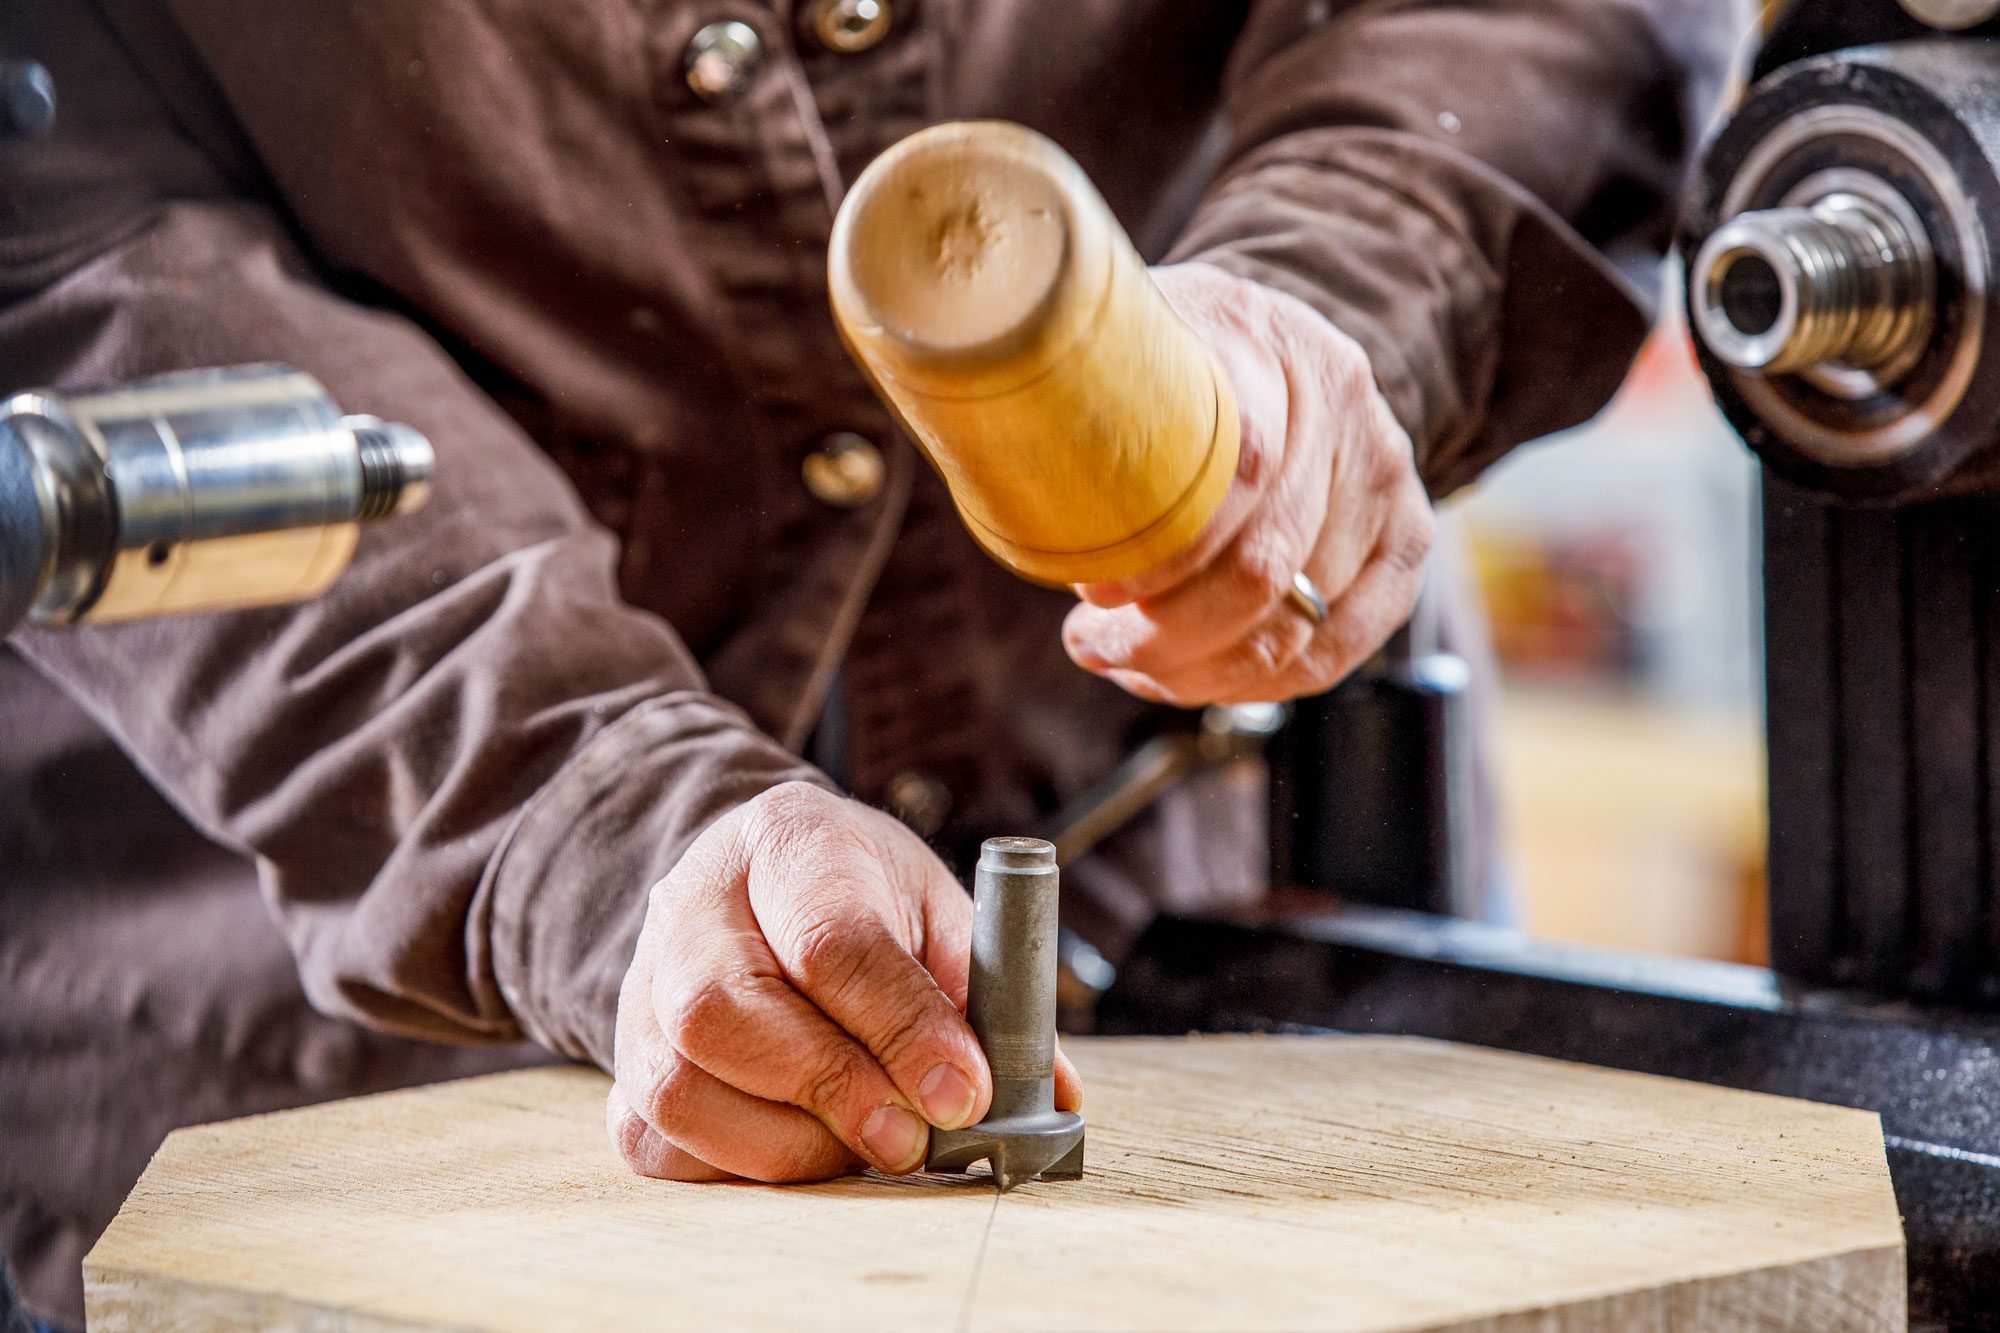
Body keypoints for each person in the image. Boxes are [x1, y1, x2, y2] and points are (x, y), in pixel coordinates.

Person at [0, 1, 1739, 1325]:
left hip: (1241, 883)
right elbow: (72, 232)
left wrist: (1330, 307)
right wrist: (596, 816)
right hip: (301, 1045)